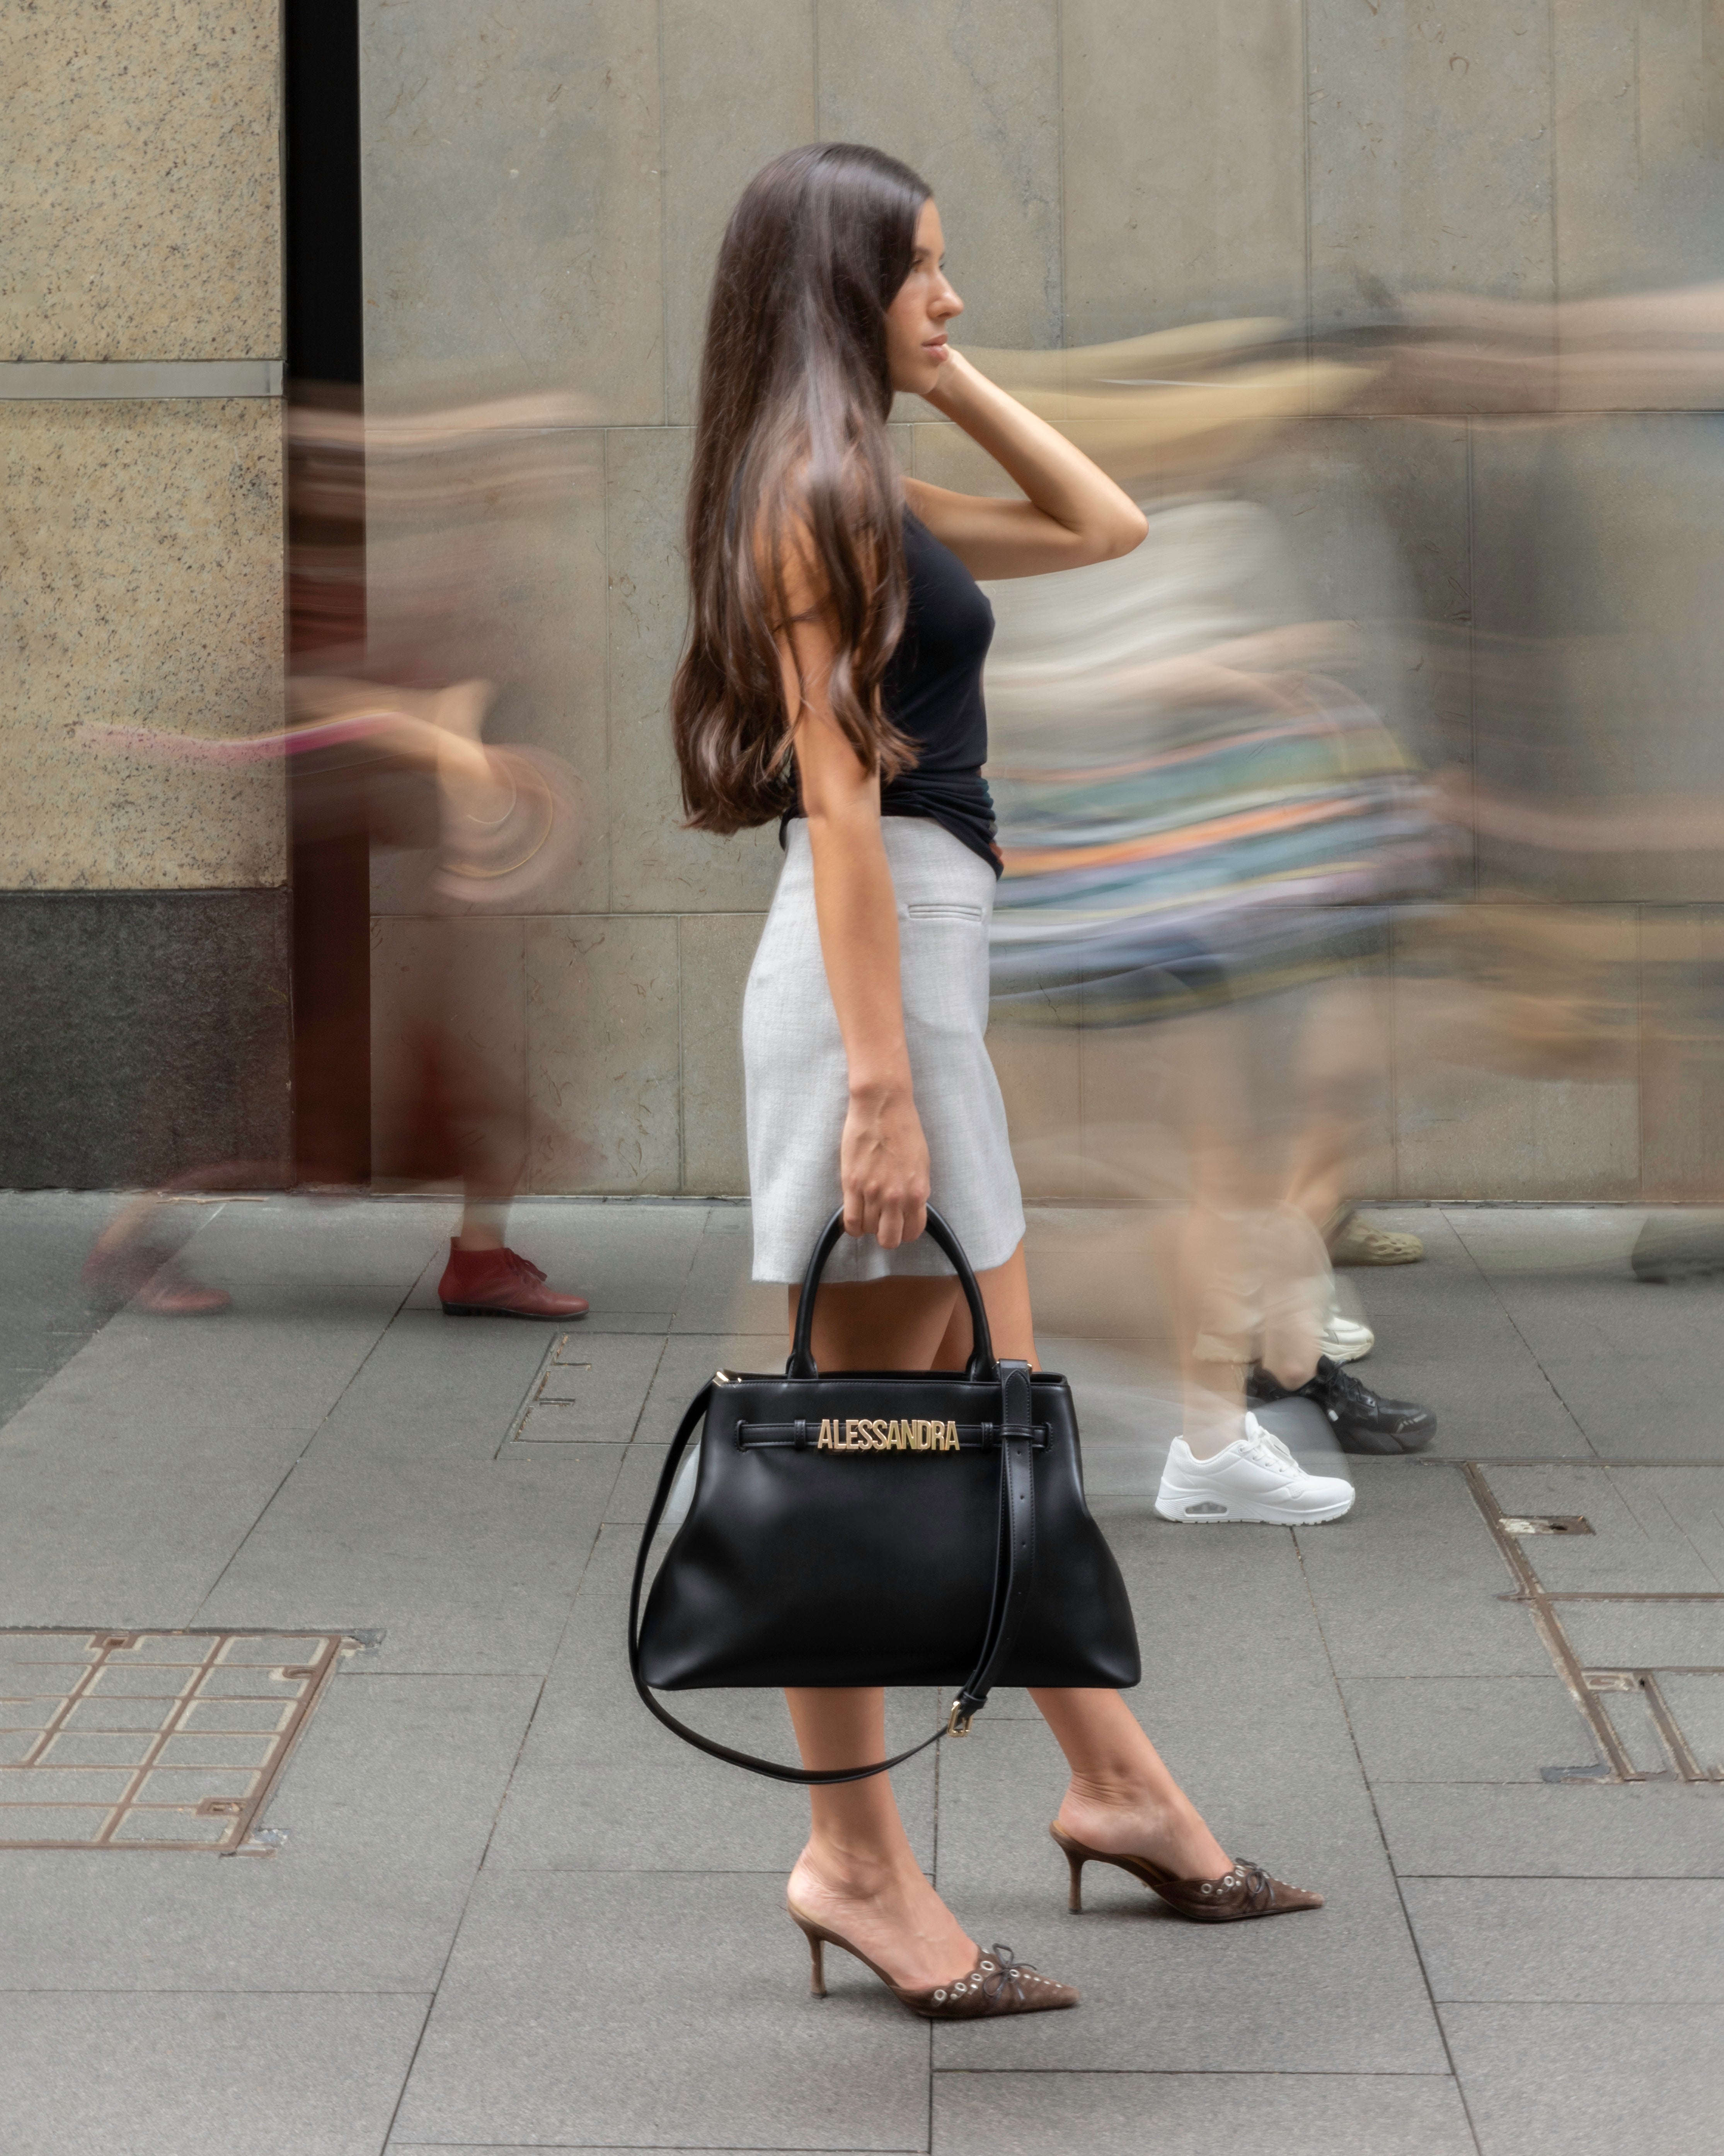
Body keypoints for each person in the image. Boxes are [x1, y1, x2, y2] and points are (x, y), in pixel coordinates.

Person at [671, 142, 1322, 2023]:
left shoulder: (859, 478)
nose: (951, 299)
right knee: (845, 1462)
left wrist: (940, 375)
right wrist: (881, 1089)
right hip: (868, 997)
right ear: (833, 290)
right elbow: (844, 808)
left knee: (989, 1424)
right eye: (920, 276)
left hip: (914, 989)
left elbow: (1106, 523)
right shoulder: (808, 495)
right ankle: (857, 1861)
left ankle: (1115, 1787)